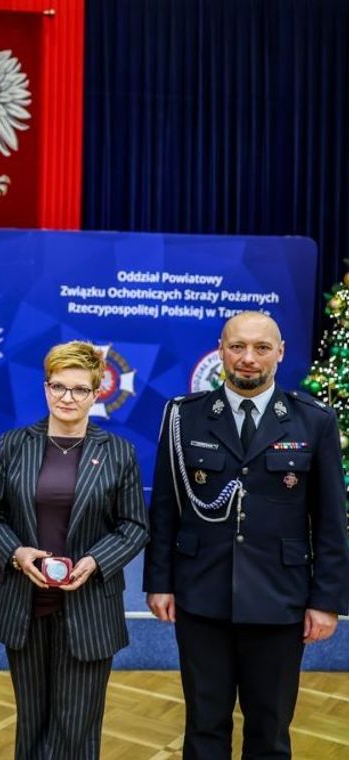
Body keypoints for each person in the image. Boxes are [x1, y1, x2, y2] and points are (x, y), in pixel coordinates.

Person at [144, 311, 348, 759]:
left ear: (280, 353)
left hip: (281, 599)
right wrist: (159, 582)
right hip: (201, 595)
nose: (248, 358)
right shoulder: (184, 418)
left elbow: (332, 520)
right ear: (221, 351)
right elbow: (164, 508)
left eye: (261, 348)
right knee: (204, 726)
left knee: (270, 731)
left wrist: (326, 600)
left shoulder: (313, 421)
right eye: (238, 347)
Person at [0, 340, 148, 759]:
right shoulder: (15, 443)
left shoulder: (118, 452)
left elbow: (134, 526)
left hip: (88, 608)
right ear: (45, 388)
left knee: (76, 726)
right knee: (32, 721)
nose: (67, 398)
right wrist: (17, 553)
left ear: (96, 392)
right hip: (24, 605)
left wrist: (94, 561)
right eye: (58, 387)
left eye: (79, 389)